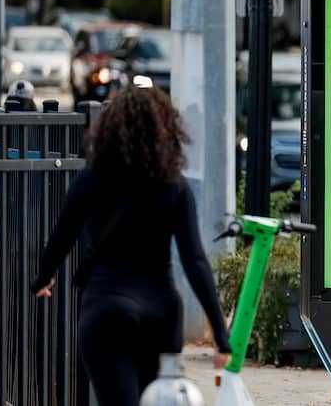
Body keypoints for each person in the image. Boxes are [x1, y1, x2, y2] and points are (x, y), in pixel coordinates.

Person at [31, 85, 231, 405]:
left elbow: (60, 237)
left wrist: (42, 278)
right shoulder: (174, 187)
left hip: (106, 310)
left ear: (107, 131)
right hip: (162, 313)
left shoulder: (89, 180)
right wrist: (221, 337)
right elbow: (194, 259)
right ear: (164, 130)